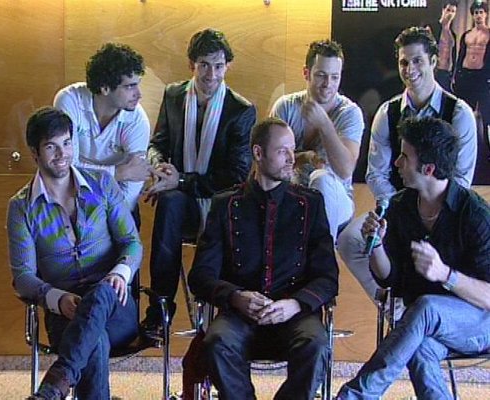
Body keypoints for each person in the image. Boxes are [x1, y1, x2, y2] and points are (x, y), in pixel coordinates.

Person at [336, 116, 490, 400]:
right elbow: (390, 280)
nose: (396, 163)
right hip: (426, 322)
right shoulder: (400, 206)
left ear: (428, 169)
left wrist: (445, 274)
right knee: (419, 345)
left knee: (427, 307)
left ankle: (355, 396)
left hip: (479, 323)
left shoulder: (474, 215)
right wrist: (376, 245)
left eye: (404, 157)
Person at [187, 117, 338, 400]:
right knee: (217, 343)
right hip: (239, 315)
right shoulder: (225, 204)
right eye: (282, 151)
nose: (292, 158)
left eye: (293, 149)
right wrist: (236, 297)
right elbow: (201, 276)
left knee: (316, 346)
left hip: (294, 313)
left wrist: (295, 304)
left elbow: (328, 277)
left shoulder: (310, 203)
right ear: (258, 153)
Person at [8, 107, 143, 400]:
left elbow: (131, 242)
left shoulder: (102, 184)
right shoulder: (21, 208)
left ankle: (53, 387)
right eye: (51, 147)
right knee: (94, 340)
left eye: (67, 143)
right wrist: (57, 299)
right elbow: (23, 277)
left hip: (116, 305)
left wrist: (120, 273)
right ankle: (58, 384)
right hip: (64, 311)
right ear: (35, 153)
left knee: (102, 292)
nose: (62, 154)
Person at [337, 26, 477, 304]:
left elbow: (461, 179)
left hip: (445, 214)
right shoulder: (387, 112)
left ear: (433, 61)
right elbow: (376, 174)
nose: (409, 69)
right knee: (349, 240)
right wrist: (401, 208)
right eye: (403, 62)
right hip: (398, 208)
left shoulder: (459, 113)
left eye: (417, 61)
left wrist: (431, 211)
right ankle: (392, 302)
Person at [141, 28, 256, 337]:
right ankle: (160, 310)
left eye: (218, 66)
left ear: (228, 66)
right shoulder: (174, 95)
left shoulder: (241, 110)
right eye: (204, 65)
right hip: (181, 202)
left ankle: (223, 316)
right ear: (191, 64)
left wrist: (179, 180)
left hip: (221, 206)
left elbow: (235, 176)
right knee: (169, 203)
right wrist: (160, 169)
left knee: (175, 198)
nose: (211, 74)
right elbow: (157, 143)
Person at [270, 39, 364, 241]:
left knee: (320, 178)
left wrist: (324, 124)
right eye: (321, 75)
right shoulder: (286, 106)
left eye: (335, 77)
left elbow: (345, 170)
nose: (328, 84)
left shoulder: (350, 112)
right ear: (306, 73)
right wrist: (305, 157)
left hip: (337, 200)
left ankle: (323, 254)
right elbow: (270, 162)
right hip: (292, 193)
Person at [53, 42, 153, 222]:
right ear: (105, 88)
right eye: (130, 86)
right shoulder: (69, 101)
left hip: (117, 207)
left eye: (137, 85)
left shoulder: (137, 121)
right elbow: (66, 168)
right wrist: (119, 173)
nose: (139, 94)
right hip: (71, 200)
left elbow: (132, 186)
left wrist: (100, 217)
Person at [454, 0, 490, 129]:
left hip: (482, 77)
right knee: (463, 111)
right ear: (473, 15)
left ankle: (485, 139)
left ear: (486, 14)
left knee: (485, 114)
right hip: (465, 75)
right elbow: (461, 56)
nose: (478, 15)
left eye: (481, 12)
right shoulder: (467, 35)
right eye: (476, 13)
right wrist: (456, 74)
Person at [433, 0, 459, 92]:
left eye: (453, 11)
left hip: (447, 73)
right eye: (448, 10)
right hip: (434, 71)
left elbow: (453, 55)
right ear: (443, 10)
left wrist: (453, 74)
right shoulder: (433, 28)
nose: (450, 14)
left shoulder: (452, 35)